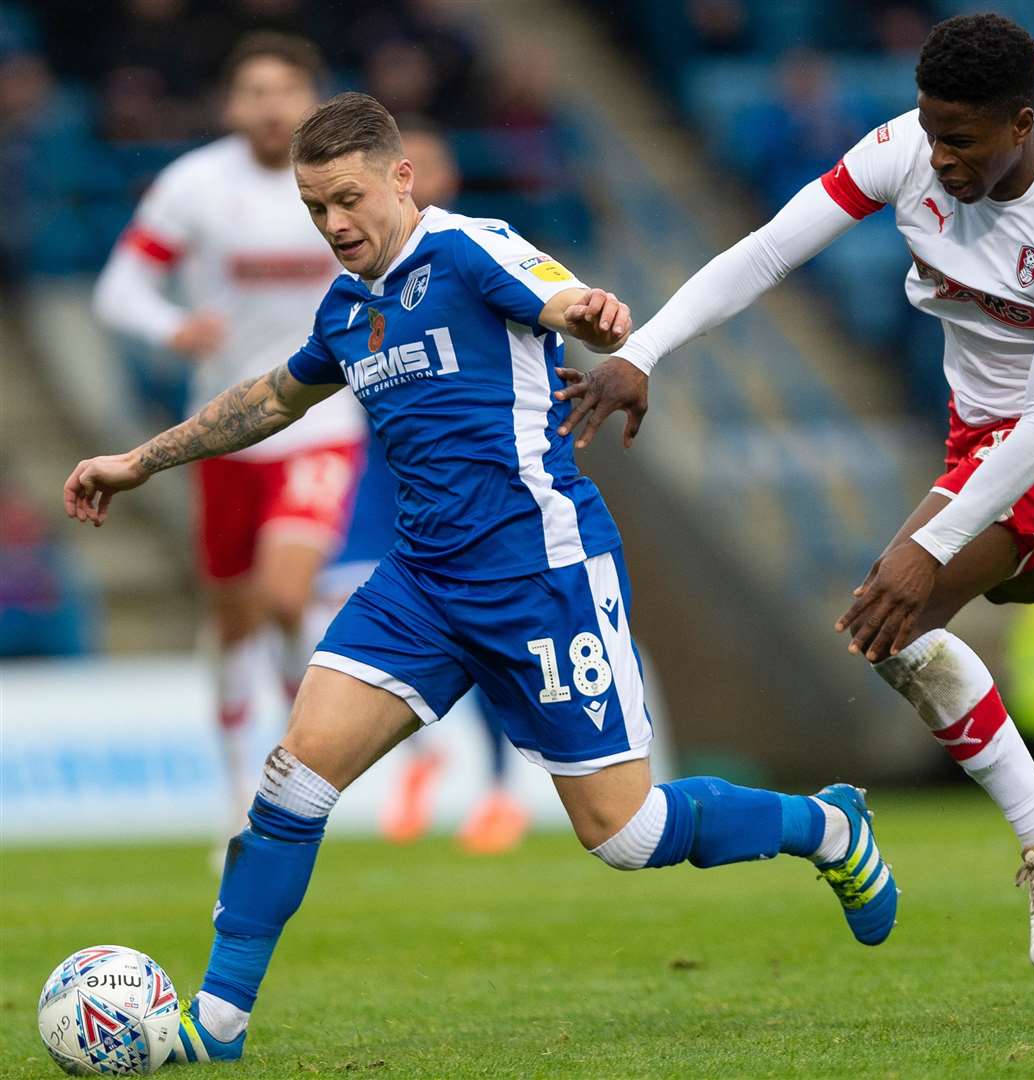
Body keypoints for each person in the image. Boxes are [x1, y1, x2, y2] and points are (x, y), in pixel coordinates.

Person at [64, 93, 898, 1063]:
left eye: (346, 199)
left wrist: (585, 311)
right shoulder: (346, 309)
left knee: (623, 834)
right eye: (313, 210)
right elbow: (267, 400)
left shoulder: (468, 250)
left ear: (400, 177)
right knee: (291, 783)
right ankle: (217, 1023)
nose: (334, 226)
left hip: (540, 575)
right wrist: (142, 460)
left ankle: (823, 825)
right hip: (421, 583)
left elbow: (555, 296)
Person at [550, 13, 1034, 968]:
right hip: (978, 423)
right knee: (1019, 580)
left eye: (961, 137)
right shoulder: (906, 148)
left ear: (1019, 121)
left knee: (891, 616)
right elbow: (772, 249)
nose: (938, 153)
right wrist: (642, 352)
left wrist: (929, 545)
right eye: (928, 125)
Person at [91, 33, 367, 835]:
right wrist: (172, 329)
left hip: (323, 417)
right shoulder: (195, 185)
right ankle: (236, 793)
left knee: (286, 595)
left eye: (286, 88)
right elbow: (120, 287)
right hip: (223, 428)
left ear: (315, 97)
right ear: (228, 103)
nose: (270, 105)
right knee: (234, 618)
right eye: (253, 90)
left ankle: (292, 778)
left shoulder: (343, 184)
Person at [319, 118, 530, 851]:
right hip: (385, 478)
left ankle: (500, 789)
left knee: (488, 651)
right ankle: (415, 756)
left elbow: (542, 330)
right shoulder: (358, 282)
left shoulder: (476, 254)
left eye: (437, 166)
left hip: (488, 498)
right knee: (371, 618)